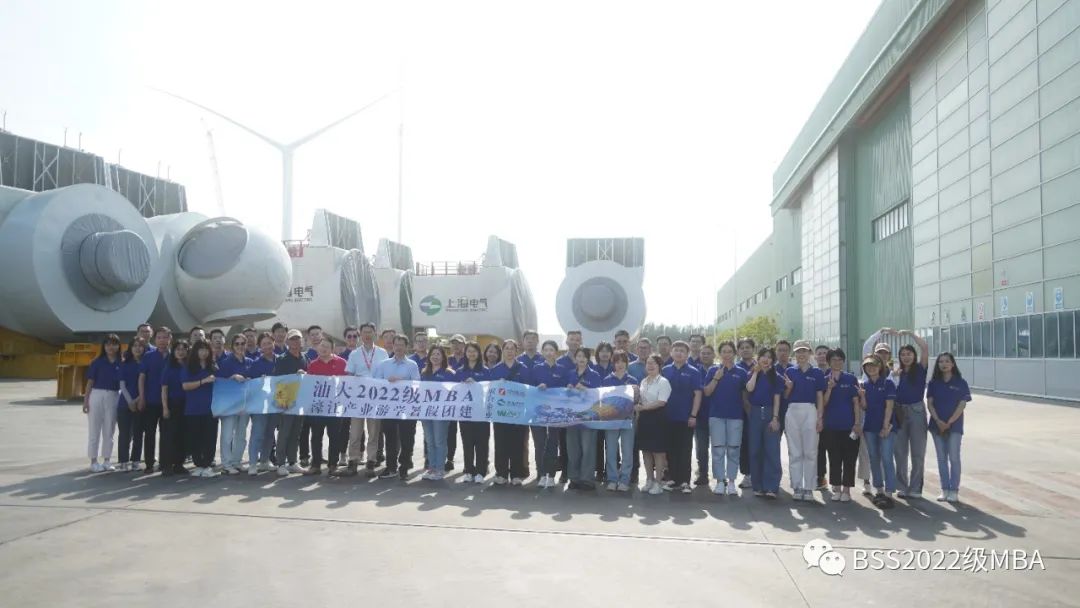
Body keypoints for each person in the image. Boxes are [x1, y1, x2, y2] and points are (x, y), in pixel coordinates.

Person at [337, 323, 388, 478]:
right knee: (355, 432)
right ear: (361, 334)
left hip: (375, 398)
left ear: (375, 334)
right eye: (364, 332)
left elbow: (385, 374)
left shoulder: (382, 353)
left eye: (370, 332)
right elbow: (349, 375)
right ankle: (353, 461)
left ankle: (371, 462)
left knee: (374, 433)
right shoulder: (354, 354)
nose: (367, 335)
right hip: (358, 399)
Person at [702, 341, 747, 495]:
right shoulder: (713, 370)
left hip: (736, 417)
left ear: (734, 353)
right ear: (719, 354)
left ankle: (732, 481)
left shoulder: (741, 372)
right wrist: (716, 378)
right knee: (718, 450)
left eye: (729, 351)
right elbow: (707, 392)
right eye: (724, 352)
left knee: (733, 450)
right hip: (716, 416)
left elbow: (745, 395)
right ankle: (720, 481)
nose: (727, 355)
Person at [373, 335, 421, 480]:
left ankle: (404, 467)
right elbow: (375, 383)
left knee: (407, 439)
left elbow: (417, 385)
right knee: (390, 439)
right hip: (388, 408)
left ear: (406, 347)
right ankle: (391, 467)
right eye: (396, 345)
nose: (399, 348)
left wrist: (403, 382)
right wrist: (386, 382)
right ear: (392, 346)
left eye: (402, 345)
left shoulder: (412, 365)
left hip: (407, 408)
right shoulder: (383, 364)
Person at [784, 341, 826, 502]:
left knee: (810, 452)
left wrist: (820, 417)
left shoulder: (817, 373)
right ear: (795, 354)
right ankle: (796, 486)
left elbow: (820, 396)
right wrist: (789, 387)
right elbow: (785, 396)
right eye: (798, 352)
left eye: (804, 351)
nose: (801, 354)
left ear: (810, 353)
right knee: (795, 452)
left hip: (810, 410)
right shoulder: (790, 371)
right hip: (793, 410)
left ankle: (809, 487)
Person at [926, 352, 970, 503]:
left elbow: (962, 404)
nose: (943, 364)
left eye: (947, 361)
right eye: (940, 362)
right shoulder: (933, 383)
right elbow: (930, 404)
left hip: (954, 426)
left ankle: (954, 490)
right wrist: (938, 421)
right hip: (936, 426)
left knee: (954, 457)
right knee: (941, 458)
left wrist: (949, 422)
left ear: (952, 364)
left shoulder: (961, 382)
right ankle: (944, 489)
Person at [661, 341, 703, 493]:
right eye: (676, 350)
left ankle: (685, 481)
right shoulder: (665, 370)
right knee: (670, 449)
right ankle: (672, 479)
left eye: (682, 351)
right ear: (671, 352)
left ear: (687, 354)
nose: (679, 353)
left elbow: (698, 394)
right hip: (668, 417)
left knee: (685, 449)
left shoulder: (693, 371)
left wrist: (693, 415)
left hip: (686, 417)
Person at [488, 340, 531, 486]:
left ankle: (516, 474)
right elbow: (490, 390)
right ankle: (501, 473)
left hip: (518, 412)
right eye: (507, 348)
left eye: (512, 349)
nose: (509, 351)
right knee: (501, 443)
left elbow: (528, 389)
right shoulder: (496, 369)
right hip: (500, 412)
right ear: (503, 350)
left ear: (516, 351)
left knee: (518, 444)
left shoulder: (523, 368)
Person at [820, 348, 860, 502]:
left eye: (840, 359)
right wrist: (829, 388)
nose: (837, 362)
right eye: (834, 360)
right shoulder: (824, 379)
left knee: (849, 459)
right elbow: (823, 404)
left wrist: (857, 423)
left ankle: (847, 490)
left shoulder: (850, 378)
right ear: (829, 362)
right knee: (834, 458)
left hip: (849, 427)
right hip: (831, 426)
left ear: (843, 361)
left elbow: (856, 403)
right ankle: (836, 488)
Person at [894, 331, 930, 499]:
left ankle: (915, 488)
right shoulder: (896, 373)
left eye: (909, 354)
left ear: (914, 355)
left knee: (918, 452)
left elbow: (925, 347)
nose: (906, 357)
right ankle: (901, 486)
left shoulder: (920, 369)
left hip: (917, 411)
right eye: (903, 354)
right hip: (899, 411)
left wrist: (910, 334)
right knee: (900, 452)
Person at [859, 354, 898, 507]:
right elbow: (865, 407)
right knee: (874, 458)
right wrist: (862, 397)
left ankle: (889, 491)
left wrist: (885, 426)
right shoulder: (865, 385)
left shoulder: (888, 383)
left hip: (886, 427)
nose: (871, 368)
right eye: (868, 366)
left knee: (887, 458)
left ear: (880, 366)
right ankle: (879, 490)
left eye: (874, 365)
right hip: (870, 427)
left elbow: (890, 406)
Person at [305, 336, 348, 476]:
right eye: (321, 346)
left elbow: (348, 383)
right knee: (316, 436)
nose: (323, 349)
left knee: (335, 436)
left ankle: (333, 465)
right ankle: (315, 465)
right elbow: (309, 386)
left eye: (326, 347)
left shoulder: (342, 363)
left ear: (332, 349)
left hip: (335, 407)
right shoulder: (313, 364)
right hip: (318, 407)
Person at [745, 347, 783, 498]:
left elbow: (777, 399)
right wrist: (755, 372)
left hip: (770, 413)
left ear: (773, 360)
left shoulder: (777, 377)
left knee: (772, 450)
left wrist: (775, 418)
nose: (766, 359)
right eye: (763, 356)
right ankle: (758, 485)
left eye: (769, 357)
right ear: (758, 358)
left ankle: (771, 487)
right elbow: (749, 388)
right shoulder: (752, 374)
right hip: (755, 413)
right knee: (755, 450)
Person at [529, 340, 566, 488]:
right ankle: (541, 474)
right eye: (546, 350)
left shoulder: (562, 370)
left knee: (553, 443)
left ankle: (551, 475)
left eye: (552, 350)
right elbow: (529, 389)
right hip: (538, 412)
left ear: (556, 352)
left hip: (556, 413)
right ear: (542, 352)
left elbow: (565, 390)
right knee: (540, 444)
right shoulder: (536, 368)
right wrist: (538, 388)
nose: (549, 352)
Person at [564, 347, 602, 490]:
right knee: (573, 449)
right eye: (578, 356)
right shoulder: (569, 374)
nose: (581, 359)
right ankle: (574, 478)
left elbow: (599, 396)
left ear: (588, 359)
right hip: (572, 417)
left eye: (584, 356)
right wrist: (567, 389)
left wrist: (585, 389)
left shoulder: (594, 375)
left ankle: (587, 479)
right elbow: (561, 395)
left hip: (588, 417)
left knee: (588, 449)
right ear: (575, 358)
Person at [83, 334, 122, 472]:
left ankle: (107, 460)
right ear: (103, 346)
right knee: (94, 430)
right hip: (97, 395)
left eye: (114, 344)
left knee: (109, 430)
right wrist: (86, 401)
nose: (111, 347)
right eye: (108, 344)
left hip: (113, 395)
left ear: (118, 346)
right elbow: (90, 382)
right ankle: (93, 461)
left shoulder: (121, 363)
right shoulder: (97, 362)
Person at [181, 340, 219, 478]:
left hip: (211, 409)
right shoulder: (189, 367)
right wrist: (203, 381)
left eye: (206, 349)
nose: (204, 352)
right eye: (201, 349)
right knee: (195, 438)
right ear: (195, 351)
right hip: (193, 409)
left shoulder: (213, 367)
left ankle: (207, 464)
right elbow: (185, 386)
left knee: (210, 438)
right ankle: (198, 465)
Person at [273, 329, 309, 476]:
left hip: (300, 402)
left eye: (298, 339)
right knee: (284, 433)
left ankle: (292, 462)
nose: (295, 342)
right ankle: (280, 463)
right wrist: (281, 401)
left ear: (302, 341)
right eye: (292, 339)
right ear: (287, 342)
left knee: (296, 433)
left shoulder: (305, 358)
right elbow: (278, 381)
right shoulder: (281, 359)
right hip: (286, 402)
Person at [602, 350, 638, 492]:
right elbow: (602, 401)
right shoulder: (607, 380)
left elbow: (637, 400)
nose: (620, 364)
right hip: (611, 419)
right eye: (617, 362)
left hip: (628, 419)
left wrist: (636, 392)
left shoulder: (633, 380)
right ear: (613, 364)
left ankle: (624, 479)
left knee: (627, 450)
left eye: (623, 361)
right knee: (611, 450)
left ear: (627, 363)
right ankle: (612, 479)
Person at [138, 326, 172, 472]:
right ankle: (149, 463)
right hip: (151, 401)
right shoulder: (148, 356)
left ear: (170, 339)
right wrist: (142, 397)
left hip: (170, 402)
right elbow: (141, 378)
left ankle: (165, 463)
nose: (162, 340)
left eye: (165, 337)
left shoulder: (175, 356)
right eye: (159, 337)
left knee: (167, 434)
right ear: (155, 339)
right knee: (149, 434)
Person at [420, 345, 456, 481]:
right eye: (433, 354)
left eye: (438, 354)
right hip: (426, 412)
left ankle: (440, 469)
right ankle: (432, 468)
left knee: (439, 441)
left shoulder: (449, 373)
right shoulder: (424, 373)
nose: (435, 357)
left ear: (443, 357)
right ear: (429, 357)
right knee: (429, 441)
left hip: (442, 413)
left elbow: (456, 392)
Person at [216, 333, 250, 475]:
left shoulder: (249, 362)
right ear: (232, 346)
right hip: (229, 404)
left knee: (241, 435)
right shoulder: (225, 362)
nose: (240, 346)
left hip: (245, 404)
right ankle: (226, 464)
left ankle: (236, 461)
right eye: (237, 344)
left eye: (242, 343)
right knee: (227, 435)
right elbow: (218, 382)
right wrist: (232, 377)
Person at [456, 341, 490, 483]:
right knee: (467, 443)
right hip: (465, 414)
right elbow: (454, 391)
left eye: (474, 351)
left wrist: (476, 384)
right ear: (465, 353)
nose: (471, 354)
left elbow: (489, 390)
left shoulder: (486, 371)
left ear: (478, 353)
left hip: (481, 414)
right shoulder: (460, 371)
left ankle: (481, 472)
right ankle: (469, 470)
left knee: (482, 444)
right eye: (469, 351)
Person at [245, 332, 278, 475]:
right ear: (260, 347)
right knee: (257, 433)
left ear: (274, 343)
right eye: (264, 344)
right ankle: (253, 463)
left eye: (269, 343)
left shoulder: (280, 360)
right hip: (260, 404)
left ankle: (264, 461)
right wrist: (260, 382)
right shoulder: (256, 364)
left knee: (270, 434)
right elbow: (250, 384)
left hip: (276, 403)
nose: (267, 346)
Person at [637, 354, 671, 495]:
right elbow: (641, 399)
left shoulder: (663, 382)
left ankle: (658, 482)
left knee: (658, 452)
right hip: (644, 419)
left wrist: (643, 408)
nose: (650, 366)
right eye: (648, 363)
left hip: (658, 418)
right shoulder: (643, 381)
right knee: (646, 451)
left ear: (659, 366)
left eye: (653, 363)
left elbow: (662, 402)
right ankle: (649, 480)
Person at [160, 340, 190, 476]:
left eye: (183, 349)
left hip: (187, 404)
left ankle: (179, 464)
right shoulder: (169, 367)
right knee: (169, 436)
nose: (181, 352)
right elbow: (164, 389)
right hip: (172, 404)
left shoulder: (190, 367)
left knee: (182, 435)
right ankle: (166, 465)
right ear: (173, 351)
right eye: (178, 349)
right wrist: (165, 407)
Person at [117, 336, 147, 472]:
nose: (137, 348)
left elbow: (148, 384)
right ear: (130, 348)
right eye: (134, 346)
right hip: (124, 404)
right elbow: (122, 386)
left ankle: (135, 461)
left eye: (140, 346)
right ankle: (123, 461)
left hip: (141, 402)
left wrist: (138, 399)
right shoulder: (124, 364)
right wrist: (130, 401)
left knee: (138, 433)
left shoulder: (146, 363)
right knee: (124, 434)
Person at [692, 344, 715, 486]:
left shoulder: (720, 370)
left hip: (717, 414)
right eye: (703, 353)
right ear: (699, 355)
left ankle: (720, 476)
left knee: (718, 448)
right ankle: (703, 474)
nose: (705, 355)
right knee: (701, 448)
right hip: (700, 415)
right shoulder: (695, 371)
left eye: (708, 353)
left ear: (714, 355)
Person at [735, 337, 756, 489]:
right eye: (742, 347)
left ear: (753, 349)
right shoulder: (736, 368)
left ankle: (760, 474)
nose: (745, 350)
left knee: (759, 443)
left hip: (759, 411)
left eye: (748, 347)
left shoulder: (761, 365)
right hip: (741, 412)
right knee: (744, 443)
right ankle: (747, 474)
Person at [814, 343, 831, 490]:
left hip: (832, 416)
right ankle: (820, 476)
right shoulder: (812, 373)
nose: (822, 355)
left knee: (832, 448)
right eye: (819, 353)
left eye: (825, 353)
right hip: (815, 415)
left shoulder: (835, 373)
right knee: (818, 448)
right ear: (815, 356)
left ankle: (837, 481)